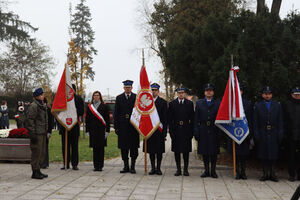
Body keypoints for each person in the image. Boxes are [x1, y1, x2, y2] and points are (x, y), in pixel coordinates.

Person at [253, 86, 284, 182]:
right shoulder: (258, 105)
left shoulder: (277, 105)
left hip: (274, 132)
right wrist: (256, 133)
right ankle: (265, 173)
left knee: (273, 154)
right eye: (265, 94)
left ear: (272, 95)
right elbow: (255, 121)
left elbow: (280, 120)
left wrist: (280, 132)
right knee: (263, 153)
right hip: (263, 132)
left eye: (269, 93)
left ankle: (272, 173)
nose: (267, 95)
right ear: (262, 95)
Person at [194, 83, 221, 178]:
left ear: (213, 92)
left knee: (214, 152)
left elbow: (221, 119)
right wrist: (196, 130)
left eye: (210, 90)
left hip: (214, 129)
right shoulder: (199, 103)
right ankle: (206, 171)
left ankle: (213, 171)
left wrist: (220, 132)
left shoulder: (218, 103)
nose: (209, 92)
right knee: (204, 152)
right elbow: (196, 118)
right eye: (207, 91)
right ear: (204, 92)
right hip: (203, 129)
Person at [226, 84, 252, 179]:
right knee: (235, 153)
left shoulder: (247, 103)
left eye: (240, 90)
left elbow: (250, 118)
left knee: (244, 153)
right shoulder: (230, 103)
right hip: (233, 131)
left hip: (244, 131)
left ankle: (243, 171)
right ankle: (237, 171)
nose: (238, 92)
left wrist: (250, 132)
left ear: (242, 92)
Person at [114, 80, 140, 174]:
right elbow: (116, 113)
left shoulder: (136, 97)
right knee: (124, 148)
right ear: (123, 88)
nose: (127, 89)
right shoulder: (119, 98)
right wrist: (116, 127)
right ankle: (126, 166)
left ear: (132, 88)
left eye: (129, 87)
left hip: (133, 127)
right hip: (123, 127)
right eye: (126, 87)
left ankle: (133, 166)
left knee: (134, 148)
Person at [168, 87, 194, 176]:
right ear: (177, 93)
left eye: (182, 93)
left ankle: (186, 169)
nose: (181, 94)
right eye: (179, 93)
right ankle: (178, 169)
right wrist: (171, 132)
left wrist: (191, 132)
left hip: (186, 129)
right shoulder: (172, 104)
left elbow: (192, 119)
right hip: (176, 129)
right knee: (177, 151)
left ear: (185, 93)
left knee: (186, 151)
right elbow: (170, 119)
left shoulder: (189, 104)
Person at [143, 83, 168, 175]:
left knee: (159, 151)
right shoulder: (146, 102)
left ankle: (158, 168)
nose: (154, 92)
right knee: (151, 151)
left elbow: (165, 119)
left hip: (159, 130)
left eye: (155, 90)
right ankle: (153, 168)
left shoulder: (163, 102)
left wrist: (164, 132)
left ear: (158, 91)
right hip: (149, 130)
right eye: (152, 90)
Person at [59, 84, 84, 170]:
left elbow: (81, 111)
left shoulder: (78, 99)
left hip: (74, 125)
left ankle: (74, 164)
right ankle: (65, 163)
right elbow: (59, 111)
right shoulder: (63, 99)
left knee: (74, 145)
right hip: (64, 126)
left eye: (70, 90)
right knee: (65, 146)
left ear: (73, 90)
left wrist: (73, 111)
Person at [27, 88, 48, 179]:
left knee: (41, 153)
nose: (43, 96)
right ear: (37, 96)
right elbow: (30, 120)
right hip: (37, 133)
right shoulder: (34, 106)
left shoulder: (41, 105)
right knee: (36, 152)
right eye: (42, 94)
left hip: (42, 132)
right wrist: (32, 133)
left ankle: (38, 170)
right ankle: (35, 171)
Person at [86, 91, 110, 171]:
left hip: (101, 130)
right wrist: (87, 131)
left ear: (100, 96)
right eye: (95, 95)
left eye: (97, 95)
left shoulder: (104, 106)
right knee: (95, 148)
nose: (96, 97)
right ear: (93, 97)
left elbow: (107, 120)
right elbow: (87, 120)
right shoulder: (90, 107)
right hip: (93, 130)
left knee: (101, 148)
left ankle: (100, 166)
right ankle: (95, 166)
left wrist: (107, 131)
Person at [283, 86, 300, 182]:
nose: (297, 96)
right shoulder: (287, 104)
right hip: (291, 135)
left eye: (298, 95)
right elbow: (284, 120)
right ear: (292, 95)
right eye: (295, 94)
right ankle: (291, 175)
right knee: (291, 156)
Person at [40, 98, 54, 169]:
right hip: (40, 131)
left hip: (46, 131)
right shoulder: (39, 108)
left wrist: (49, 132)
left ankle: (45, 163)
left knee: (45, 148)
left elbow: (51, 121)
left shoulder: (48, 109)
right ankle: (40, 162)